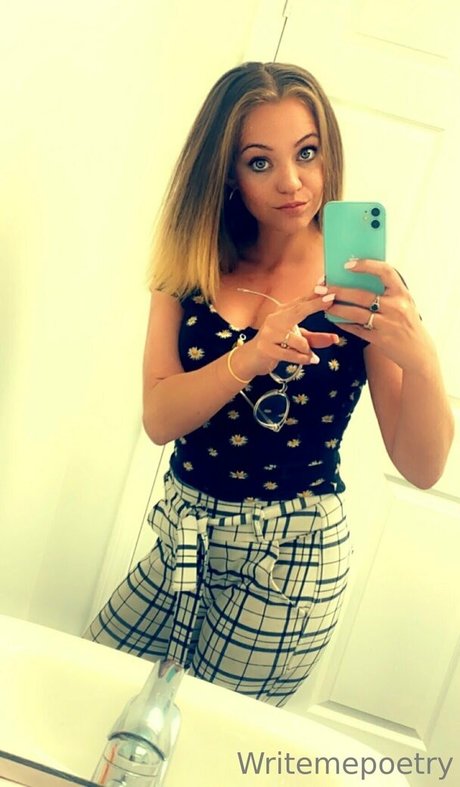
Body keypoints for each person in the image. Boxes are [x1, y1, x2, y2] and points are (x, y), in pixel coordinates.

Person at [84, 62, 453, 707]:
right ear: (227, 172)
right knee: (90, 697)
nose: (292, 182)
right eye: (261, 162)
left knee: (206, 739)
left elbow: (422, 468)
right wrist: (252, 355)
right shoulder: (192, 263)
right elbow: (160, 419)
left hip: (292, 557)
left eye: (307, 153)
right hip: (183, 536)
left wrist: (422, 359)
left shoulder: (357, 285)